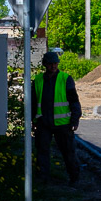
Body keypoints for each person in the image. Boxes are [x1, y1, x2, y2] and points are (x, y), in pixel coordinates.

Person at [33, 50, 81, 184]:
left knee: (68, 152)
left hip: (63, 124)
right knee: (42, 152)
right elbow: (33, 101)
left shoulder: (65, 79)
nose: (53, 66)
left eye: (55, 63)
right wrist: (33, 119)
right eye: (50, 64)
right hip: (43, 122)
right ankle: (43, 179)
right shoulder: (38, 80)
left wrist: (74, 120)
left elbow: (74, 100)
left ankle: (74, 178)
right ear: (45, 65)